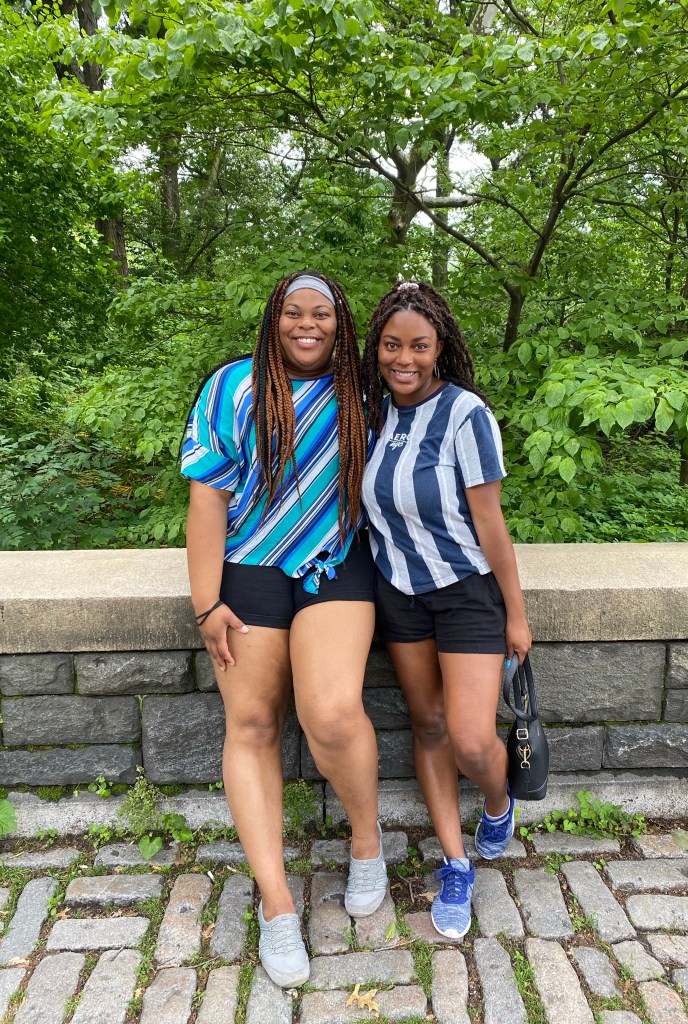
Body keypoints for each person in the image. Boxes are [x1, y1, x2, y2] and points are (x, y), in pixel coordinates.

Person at [182, 271, 387, 988]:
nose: (307, 324)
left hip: (336, 561)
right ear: (275, 319)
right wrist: (207, 603)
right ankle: (276, 906)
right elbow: (207, 501)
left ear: (341, 322)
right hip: (250, 569)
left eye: (321, 313)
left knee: (330, 714)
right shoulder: (232, 388)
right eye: (293, 312)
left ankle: (367, 842)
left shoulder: (364, 391)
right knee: (251, 725)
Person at [361, 280, 532, 939]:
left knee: (470, 736)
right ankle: (455, 864)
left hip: (465, 592)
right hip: (398, 594)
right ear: (377, 348)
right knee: (428, 724)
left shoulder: (465, 414)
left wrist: (515, 614)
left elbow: (490, 523)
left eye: (419, 346)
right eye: (392, 345)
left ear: (439, 349)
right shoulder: (372, 415)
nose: (404, 358)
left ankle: (497, 802)